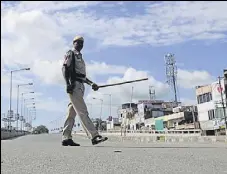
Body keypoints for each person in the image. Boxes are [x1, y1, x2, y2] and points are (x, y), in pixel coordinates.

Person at [61, 36, 108, 146]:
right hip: (74, 86)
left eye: (82, 43)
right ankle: (94, 136)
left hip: (81, 85)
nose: (80, 45)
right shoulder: (71, 53)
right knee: (83, 111)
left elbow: (82, 76)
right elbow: (64, 69)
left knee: (71, 113)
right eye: (78, 42)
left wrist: (92, 84)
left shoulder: (80, 57)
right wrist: (68, 84)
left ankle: (66, 137)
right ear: (74, 43)